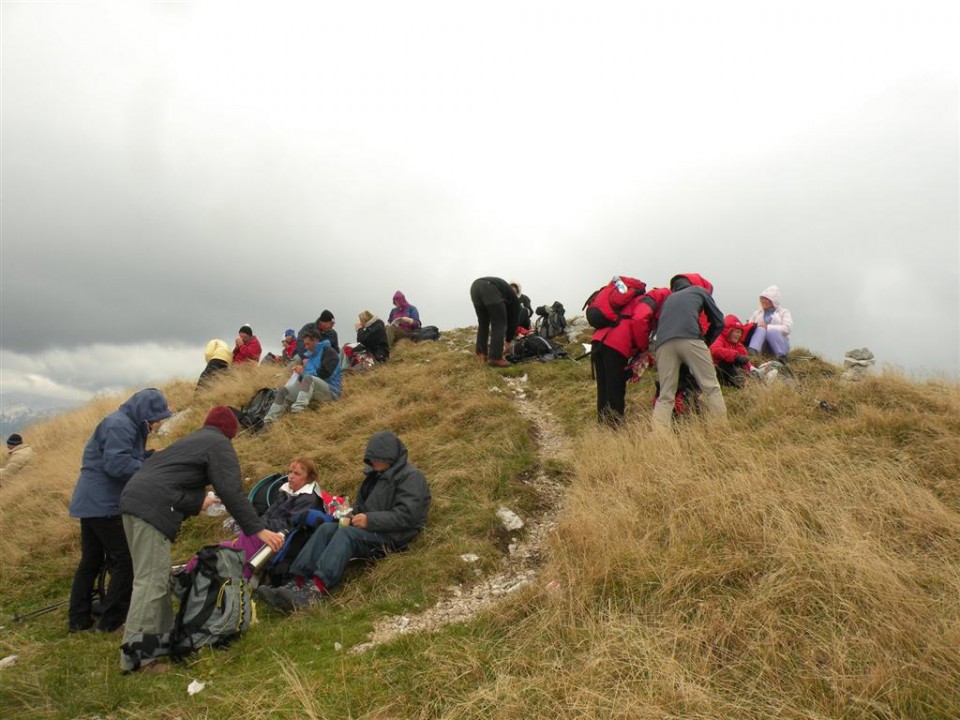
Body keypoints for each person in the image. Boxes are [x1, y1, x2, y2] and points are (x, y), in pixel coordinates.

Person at [118, 406, 284, 672]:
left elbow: (167, 483)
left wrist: (198, 502)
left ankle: (160, 641)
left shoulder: (193, 440)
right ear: (231, 432)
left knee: (155, 578)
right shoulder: (219, 444)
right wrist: (258, 530)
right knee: (150, 583)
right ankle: (136, 658)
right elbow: (231, 491)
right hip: (150, 510)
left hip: (132, 503)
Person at [256, 430, 430, 613]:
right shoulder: (375, 477)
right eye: (372, 458)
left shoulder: (411, 476)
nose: (374, 462)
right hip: (373, 530)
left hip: (394, 536)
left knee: (347, 534)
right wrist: (348, 514)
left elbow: (409, 515)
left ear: (391, 456)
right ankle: (295, 584)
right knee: (326, 528)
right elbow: (362, 507)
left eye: (378, 458)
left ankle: (315, 590)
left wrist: (370, 520)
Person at [67, 389, 173, 634]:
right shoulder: (120, 425)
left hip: (90, 503)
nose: (157, 423)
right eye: (155, 418)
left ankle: (79, 618)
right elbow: (117, 465)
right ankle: (112, 621)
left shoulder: (124, 422)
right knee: (125, 558)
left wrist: (147, 455)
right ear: (144, 413)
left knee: (92, 560)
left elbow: (123, 456)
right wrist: (150, 466)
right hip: (104, 504)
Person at [183, 457, 324, 578]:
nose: (291, 476)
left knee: (240, 543)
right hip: (266, 533)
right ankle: (189, 572)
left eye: (297, 474)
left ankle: (230, 576)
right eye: (290, 472)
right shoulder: (287, 491)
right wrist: (257, 527)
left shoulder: (308, 499)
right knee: (223, 546)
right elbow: (269, 513)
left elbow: (290, 524)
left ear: (308, 478)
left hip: (280, 541)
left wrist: (260, 528)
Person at [651, 275, 728, 432]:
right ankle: (720, 430)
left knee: (666, 394)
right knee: (710, 386)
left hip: (663, 345)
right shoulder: (699, 291)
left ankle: (658, 437)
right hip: (691, 338)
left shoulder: (668, 299)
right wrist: (705, 342)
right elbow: (719, 321)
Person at [592, 287, 670, 426]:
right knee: (616, 387)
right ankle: (615, 427)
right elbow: (639, 320)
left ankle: (603, 426)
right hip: (616, 345)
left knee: (603, 387)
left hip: (598, 341)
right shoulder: (646, 302)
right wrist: (643, 346)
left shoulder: (630, 302)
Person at [263, 328, 342, 423]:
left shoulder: (329, 352)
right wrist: (300, 373)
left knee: (308, 378)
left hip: (331, 391)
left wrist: (303, 372)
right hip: (313, 388)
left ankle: (298, 413)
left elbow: (324, 373)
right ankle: (268, 421)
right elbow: (303, 379)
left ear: (316, 340)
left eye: (308, 344)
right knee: (283, 390)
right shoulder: (310, 356)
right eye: (305, 344)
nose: (306, 347)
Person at [470, 277, 521, 368]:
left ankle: (481, 355)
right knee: (499, 323)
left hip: (475, 287)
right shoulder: (515, 302)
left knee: (483, 323)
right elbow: (513, 322)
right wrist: (508, 341)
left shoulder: (504, 292)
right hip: (488, 287)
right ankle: (495, 358)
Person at [746, 285, 793, 361]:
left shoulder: (783, 312)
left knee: (771, 330)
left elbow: (787, 329)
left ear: (773, 300)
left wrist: (768, 327)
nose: (763, 301)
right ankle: (752, 352)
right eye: (762, 298)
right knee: (760, 329)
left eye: (766, 299)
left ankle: (782, 357)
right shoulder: (757, 313)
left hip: (780, 345)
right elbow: (749, 328)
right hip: (763, 347)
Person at [710, 315, 753, 388]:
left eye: (740, 333)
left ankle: (751, 378)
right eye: (736, 332)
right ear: (728, 331)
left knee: (741, 363)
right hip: (718, 372)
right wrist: (735, 356)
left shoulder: (739, 346)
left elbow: (745, 361)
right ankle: (741, 382)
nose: (738, 335)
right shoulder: (720, 339)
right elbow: (714, 350)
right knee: (727, 363)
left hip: (731, 374)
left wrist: (750, 369)